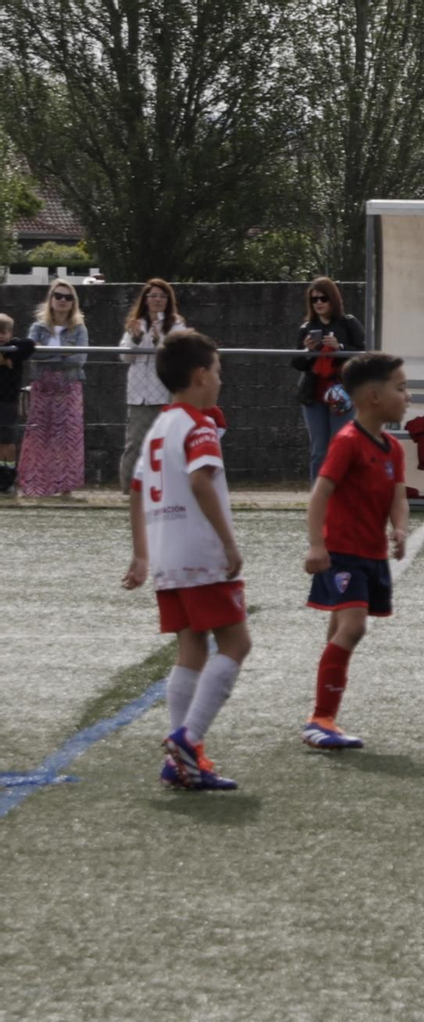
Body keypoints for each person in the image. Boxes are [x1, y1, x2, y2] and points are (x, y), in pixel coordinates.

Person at [122, 331, 249, 790]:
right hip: (201, 552)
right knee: (236, 644)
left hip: (167, 555)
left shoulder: (159, 426)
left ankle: (180, 763)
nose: (219, 381)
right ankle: (188, 740)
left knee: (191, 648)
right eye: (216, 372)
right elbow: (200, 482)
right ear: (199, 376)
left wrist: (141, 553)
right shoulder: (198, 426)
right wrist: (229, 544)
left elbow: (136, 491)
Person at [302, 352, 410, 750]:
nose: (408, 396)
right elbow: (320, 494)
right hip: (343, 554)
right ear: (372, 397)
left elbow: (399, 497)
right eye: (401, 388)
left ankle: (322, 715)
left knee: (339, 630)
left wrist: (399, 528)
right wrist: (317, 545)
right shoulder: (347, 441)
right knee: (353, 627)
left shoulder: (394, 449)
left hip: (372, 555)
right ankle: (321, 718)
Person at [291, 277, 365, 487]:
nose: (319, 303)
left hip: (342, 393)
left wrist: (340, 347)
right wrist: (308, 351)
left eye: (323, 298)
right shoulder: (307, 328)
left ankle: (344, 491)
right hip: (313, 394)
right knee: (319, 449)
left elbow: (364, 353)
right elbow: (297, 363)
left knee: (342, 444)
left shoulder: (348, 323)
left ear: (333, 299)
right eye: (314, 300)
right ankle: (319, 494)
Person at [17, 279, 88, 498]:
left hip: (69, 386)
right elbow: (33, 354)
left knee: (68, 436)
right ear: (51, 299)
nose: (62, 300)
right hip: (43, 386)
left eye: (68, 297)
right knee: (39, 434)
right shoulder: (37, 327)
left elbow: (80, 359)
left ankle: (66, 487)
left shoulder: (79, 328)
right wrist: (62, 352)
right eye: (58, 295)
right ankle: (37, 485)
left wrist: (48, 353)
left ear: (73, 302)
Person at [118, 278, 186, 492]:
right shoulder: (135, 323)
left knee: (165, 445)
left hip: (165, 393)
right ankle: (129, 490)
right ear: (145, 300)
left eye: (162, 296)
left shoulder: (176, 324)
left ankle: (165, 489)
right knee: (135, 444)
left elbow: (177, 356)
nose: (158, 300)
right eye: (153, 296)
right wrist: (137, 338)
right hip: (139, 394)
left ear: (168, 300)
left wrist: (159, 341)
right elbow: (124, 357)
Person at [0, 313, 37, 494]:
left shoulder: (15, 348)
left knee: (7, 441)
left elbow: (29, 344)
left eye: (4, 332)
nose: (1, 336)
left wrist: (8, 357)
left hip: (7, 402)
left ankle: (9, 473)